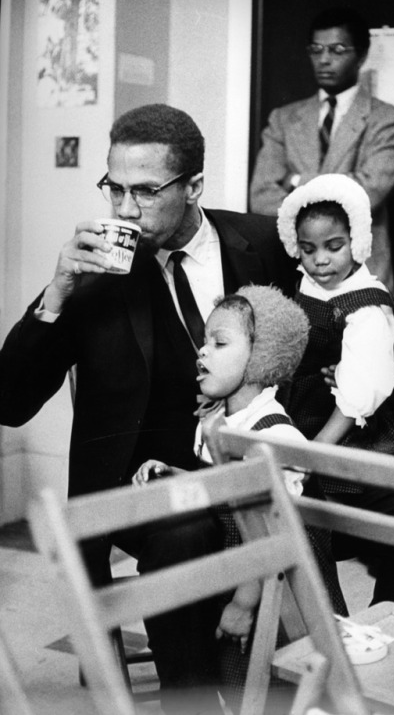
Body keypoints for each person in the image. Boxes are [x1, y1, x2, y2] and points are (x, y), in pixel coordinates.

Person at [0, 103, 298, 713]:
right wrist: (57, 291)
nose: (124, 210)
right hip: (139, 483)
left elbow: (300, 356)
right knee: (186, 530)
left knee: (378, 508)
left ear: (192, 187)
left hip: (247, 465)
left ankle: (298, 685)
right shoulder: (93, 275)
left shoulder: (263, 244)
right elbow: (9, 402)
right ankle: (195, 703)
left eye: (145, 191)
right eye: (114, 189)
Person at [134, 284, 347, 712]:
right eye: (204, 342)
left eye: (220, 343)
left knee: (274, 692)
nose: (202, 352)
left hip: (282, 598)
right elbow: (225, 488)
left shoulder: (273, 435)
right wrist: (177, 474)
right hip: (243, 580)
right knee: (238, 684)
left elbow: (273, 535)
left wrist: (244, 604)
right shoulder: (220, 422)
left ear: (262, 356)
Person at [277, 172, 394, 613]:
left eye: (333, 247)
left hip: (341, 441)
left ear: (355, 240)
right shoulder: (300, 286)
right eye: (308, 248)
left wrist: (310, 457)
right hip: (295, 427)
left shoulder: (366, 304)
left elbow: (356, 395)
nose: (320, 260)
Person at [250, 6, 394, 293]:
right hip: (297, 276)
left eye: (337, 50)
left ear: (361, 56)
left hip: (364, 277)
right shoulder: (283, 118)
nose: (324, 59)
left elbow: (367, 191)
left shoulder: (388, 119)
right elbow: (261, 196)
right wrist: (338, 185)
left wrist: (296, 181)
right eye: (316, 49)